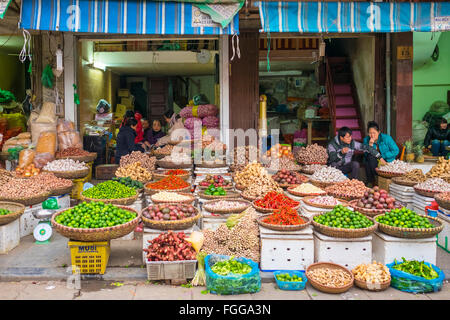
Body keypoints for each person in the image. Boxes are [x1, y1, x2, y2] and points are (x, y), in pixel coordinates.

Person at [363, 121, 399, 186]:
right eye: (370, 133)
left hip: (386, 161)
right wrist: (370, 145)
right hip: (373, 161)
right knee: (369, 157)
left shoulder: (386, 138)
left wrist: (383, 156)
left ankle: (372, 181)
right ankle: (375, 180)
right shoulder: (366, 140)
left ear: (379, 132)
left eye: (374, 133)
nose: (372, 135)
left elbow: (396, 150)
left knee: (368, 161)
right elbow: (365, 155)